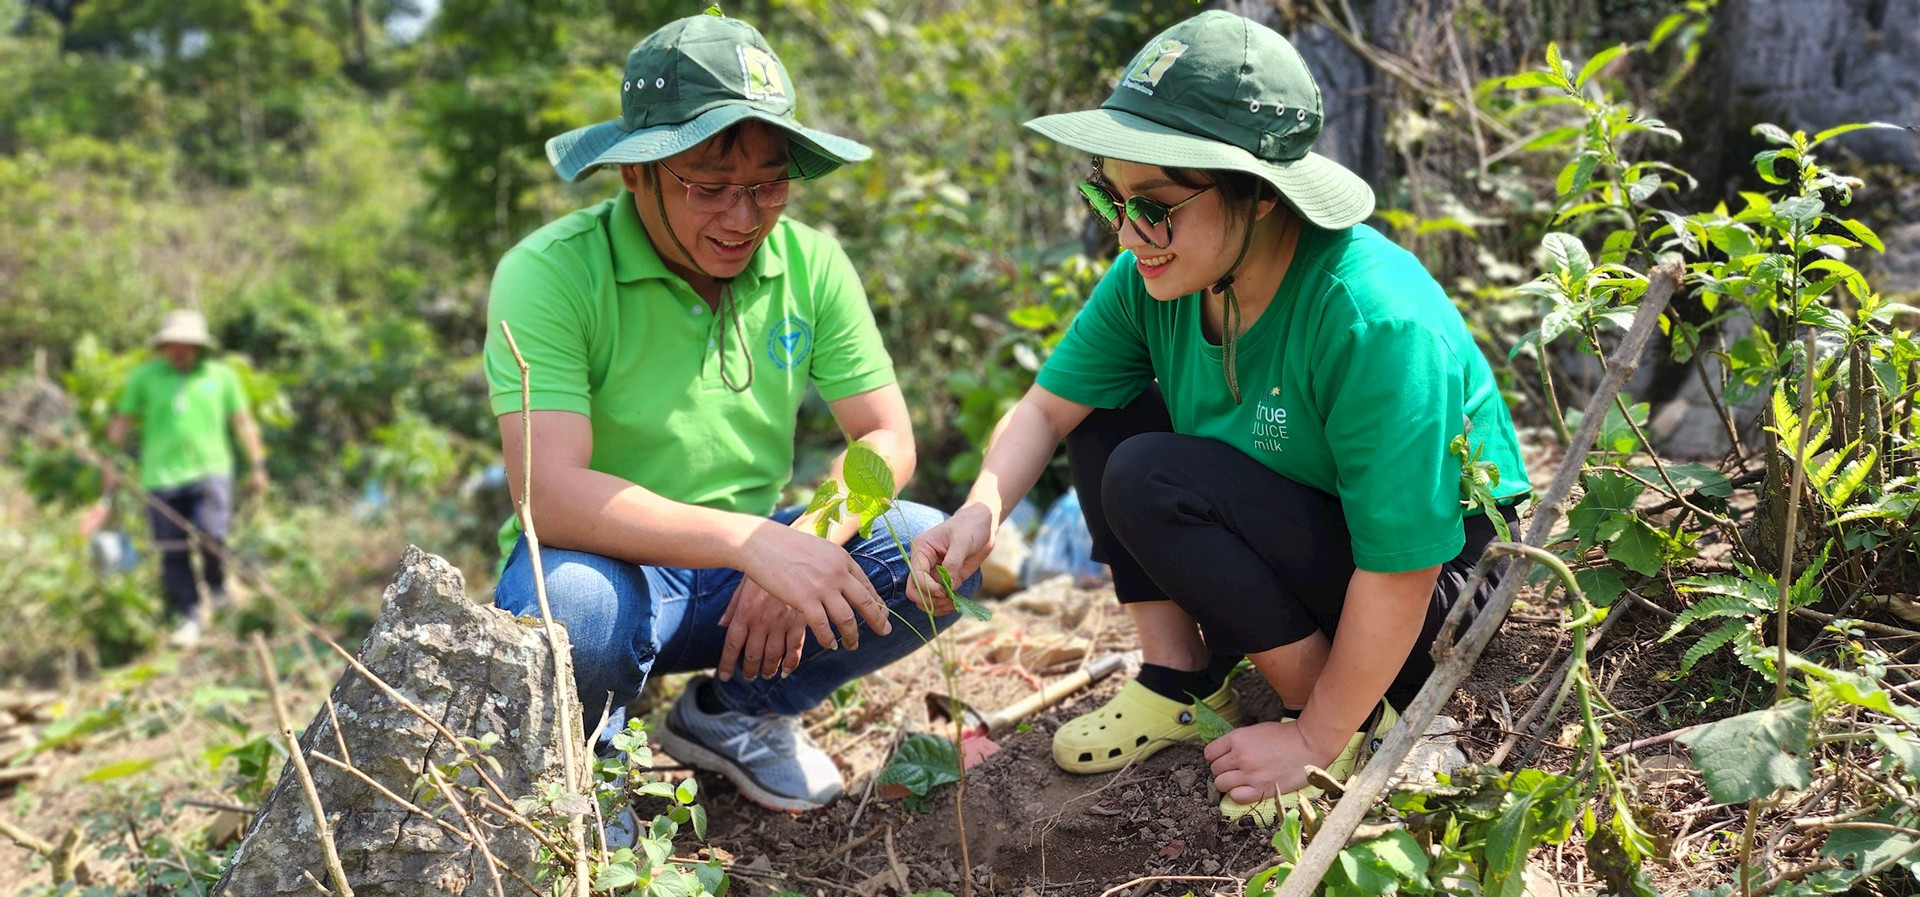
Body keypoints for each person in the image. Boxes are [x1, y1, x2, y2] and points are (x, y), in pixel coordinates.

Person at [909, 10, 1529, 825]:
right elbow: (1046, 406)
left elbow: (1404, 566)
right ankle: (1178, 676)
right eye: (1111, 197)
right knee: (1106, 409)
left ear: (1262, 195)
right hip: (1314, 537)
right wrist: (982, 509)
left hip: (1439, 586)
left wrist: (1312, 733)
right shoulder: (1156, 278)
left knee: (1147, 472)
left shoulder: (1373, 319)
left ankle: (1359, 732)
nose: (1128, 234)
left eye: (1155, 206)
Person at [484, 11, 975, 813]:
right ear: (635, 173)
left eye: (768, 184)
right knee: (574, 608)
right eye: (710, 188)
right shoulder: (553, 274)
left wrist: (804, 540)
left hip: (738, 577)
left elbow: (887, 434)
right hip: (607, 565)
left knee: (929, 550)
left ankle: (736, 712)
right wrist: (753, 545)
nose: (745, 217)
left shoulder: (809, 263)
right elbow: (551, 494)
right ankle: (587, 771)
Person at [100, 309, 270, 649]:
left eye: (187, 345)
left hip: (210, 469)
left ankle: (217, 585)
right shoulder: (145, 377)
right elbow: (122, 422)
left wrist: (257, 465)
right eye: (173, 345)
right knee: (172, 550)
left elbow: (242, 421)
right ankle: (191, 615)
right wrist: (108, 464)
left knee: (211, 533)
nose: (180, 351)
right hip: (160, 477)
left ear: (198, 347)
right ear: (164, 347)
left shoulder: (221, 376)